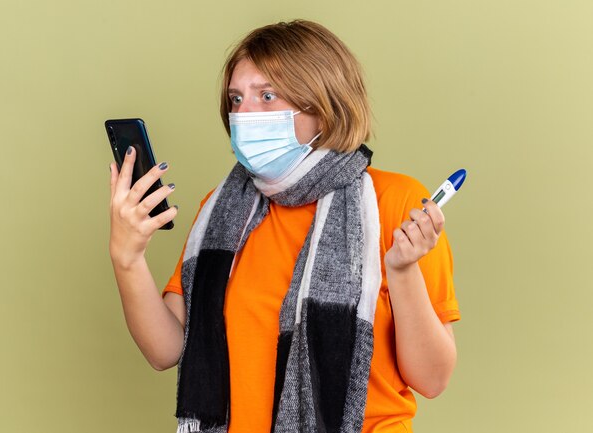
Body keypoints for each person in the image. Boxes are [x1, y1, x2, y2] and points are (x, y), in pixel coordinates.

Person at [108, 19, 460, 433]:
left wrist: (402, 271)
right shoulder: (221, 214)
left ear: (324, 106)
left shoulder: (395, 203)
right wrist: (127, 257)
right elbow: (164, 350)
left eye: (267, 95)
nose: (244, 115)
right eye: (236, 99)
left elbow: (432, 379)